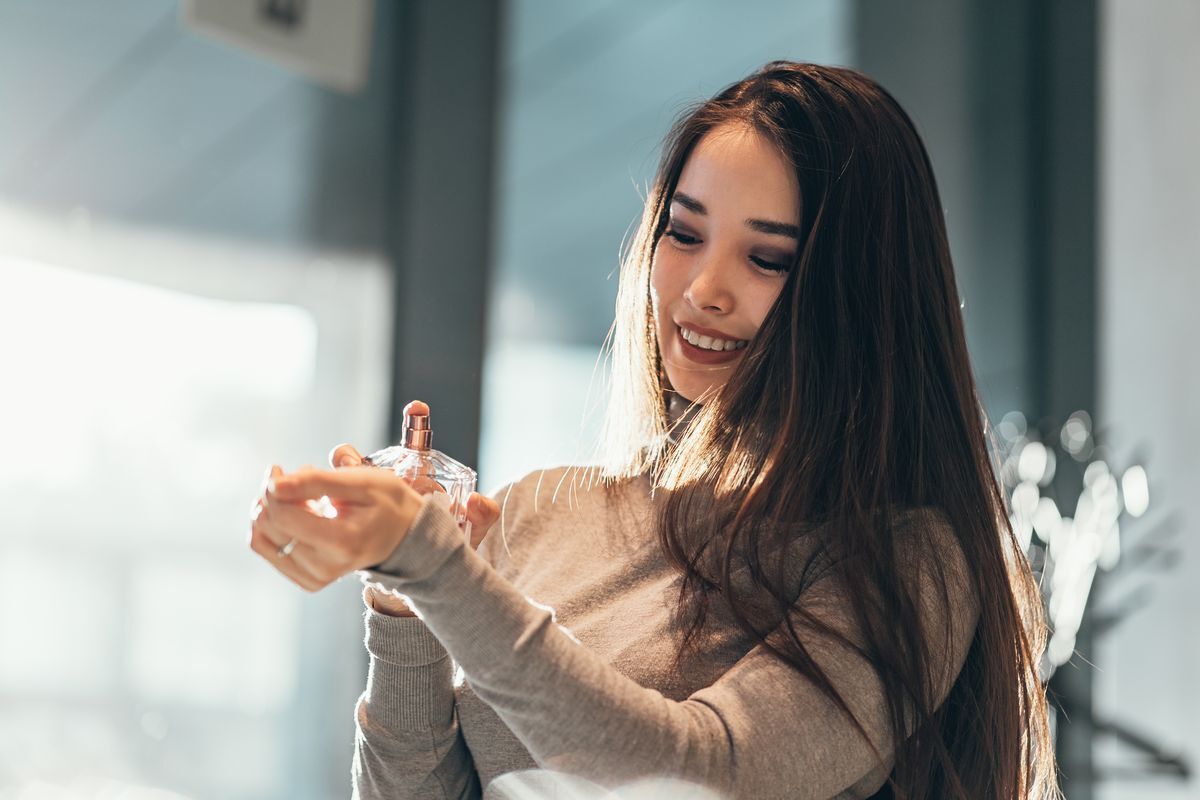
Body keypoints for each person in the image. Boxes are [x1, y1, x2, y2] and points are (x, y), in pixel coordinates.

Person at [248, 61, 1060, 799]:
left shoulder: (906, 564)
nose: (704, 289)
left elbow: (701, 776)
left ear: (860, 295)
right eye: (684, 232)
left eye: (767, 259)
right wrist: (406, 603)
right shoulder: (544, 512)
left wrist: (437, 569)